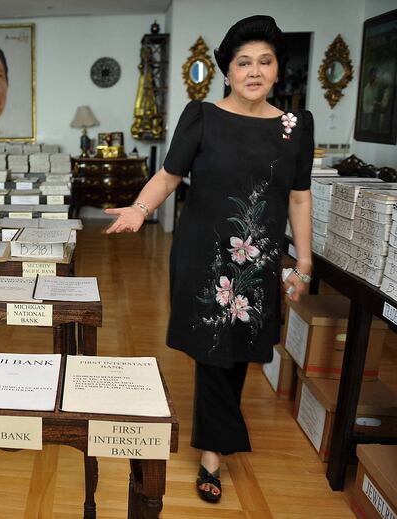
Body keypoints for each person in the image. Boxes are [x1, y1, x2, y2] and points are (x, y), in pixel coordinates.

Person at [104, 15, 313, 504]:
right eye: (244, 63)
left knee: (240, 349)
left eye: (265, 61)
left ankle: (218, 439)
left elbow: (300, 197)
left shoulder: (294, 127)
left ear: (278, 70)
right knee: (215, 351)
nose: (254, 71)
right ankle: (214, 456)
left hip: (258, 259)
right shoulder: (202, 116)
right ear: (228, 71)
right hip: (204, 253)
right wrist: (139, 209)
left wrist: (303, 262)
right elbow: (170, 176)